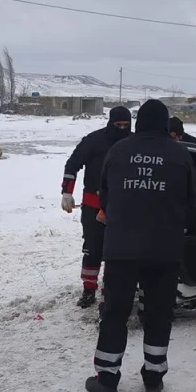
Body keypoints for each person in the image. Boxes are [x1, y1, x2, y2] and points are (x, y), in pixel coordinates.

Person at [86, 99, 196, 392]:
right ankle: (153, 378)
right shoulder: (181, 153)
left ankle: (107, 379)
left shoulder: (118, 150)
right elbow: (191, 202)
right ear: (164, 124)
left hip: (121, 249)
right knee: (159, 313)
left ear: (137, 123)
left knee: (115, 312)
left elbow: (105, 199)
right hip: (164, 250)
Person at [61, 106, 132, 308]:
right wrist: (67, 191)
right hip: (93, 205)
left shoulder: (133, 143)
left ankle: (110, 290)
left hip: (123, 207)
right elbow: (72, 164)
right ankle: (88, 289)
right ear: (110, 123)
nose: (122, 128)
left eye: (126, 125)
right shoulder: (93, 140)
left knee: (118, 252)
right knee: (92, 249)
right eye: (118, 125)